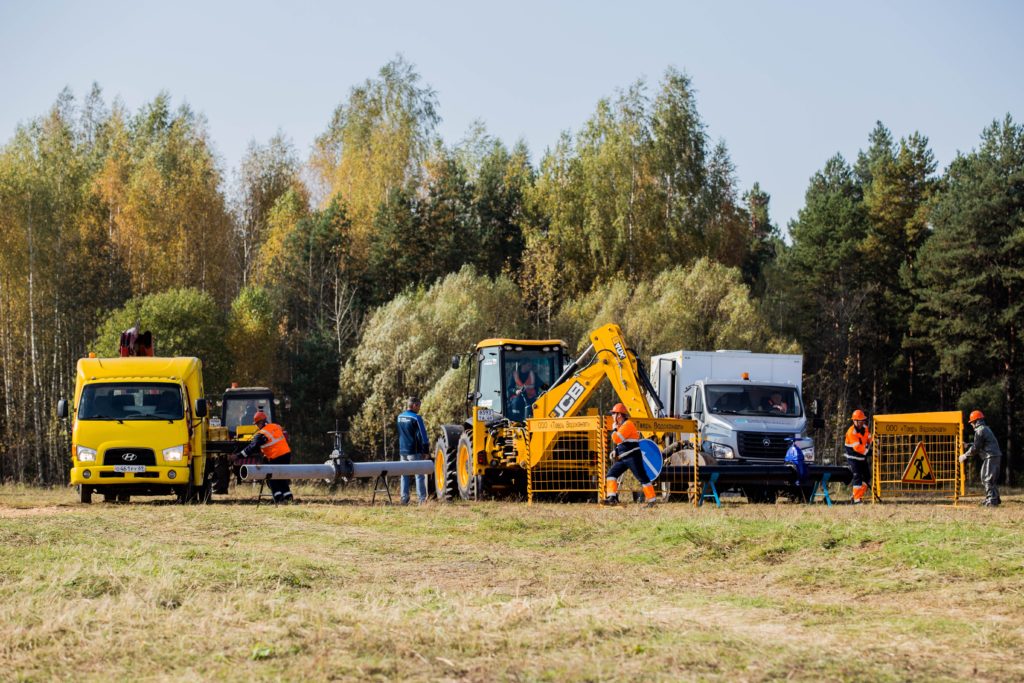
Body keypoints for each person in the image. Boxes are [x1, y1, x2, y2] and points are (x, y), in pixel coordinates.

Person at [603, 403, 657, 507]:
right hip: (624, 457)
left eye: (613, 413)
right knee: (611, 475)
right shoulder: (622, 426)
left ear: (619, 415)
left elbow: (616, 439)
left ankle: (652, 501)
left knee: (642, 478)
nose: (612, 416)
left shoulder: (628, 424)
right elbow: (623, 443)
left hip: (633, 457)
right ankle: (612, 498)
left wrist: (614, 429)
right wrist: (617, 451)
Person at [240, 411, 294, 504]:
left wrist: (239, 455)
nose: (256, 426)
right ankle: (288, 497)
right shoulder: (275, 426)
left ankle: (278, 498)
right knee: (282, 476)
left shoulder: (262, 433)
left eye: (256, 424)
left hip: (276, 456)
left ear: (260, 422)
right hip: (286, 454)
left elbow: (252, 447)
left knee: (271, 476)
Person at [959, 410, 1002, 507]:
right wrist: (968, 445)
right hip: (993, 456)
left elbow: (976, 448)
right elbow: (980, 444)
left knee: (987, 479)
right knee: (989, 478)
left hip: (990, 456)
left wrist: (965, 455)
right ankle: (994, 499)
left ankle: (992, 500)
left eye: (971, 423)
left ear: (975, 421)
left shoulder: (980, 430)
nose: (971, 425)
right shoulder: (985, 429)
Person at [397, 397, 429, 505]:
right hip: (414, 451)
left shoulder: (400, 417)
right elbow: (423, 436)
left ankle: (404, 498)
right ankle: (422, 500)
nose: (419, 408)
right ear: (414, 405)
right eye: (419, 406)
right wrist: (426, 450)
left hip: (402, 450)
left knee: (404, 474)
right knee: (419, 475)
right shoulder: (416, 418)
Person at [844, 409, 872, 504]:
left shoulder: (865, 428)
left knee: (867, 477)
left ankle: (856, 496)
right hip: (853, 459)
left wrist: (875, 443)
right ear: (854, 421)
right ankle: (856, 500)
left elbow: (869, 438)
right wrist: (869, 452)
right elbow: (857, 448)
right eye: (859, 421)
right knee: (857, 477)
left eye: (863, 421)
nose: (861, 423)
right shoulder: (851, 432)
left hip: (862, 458)